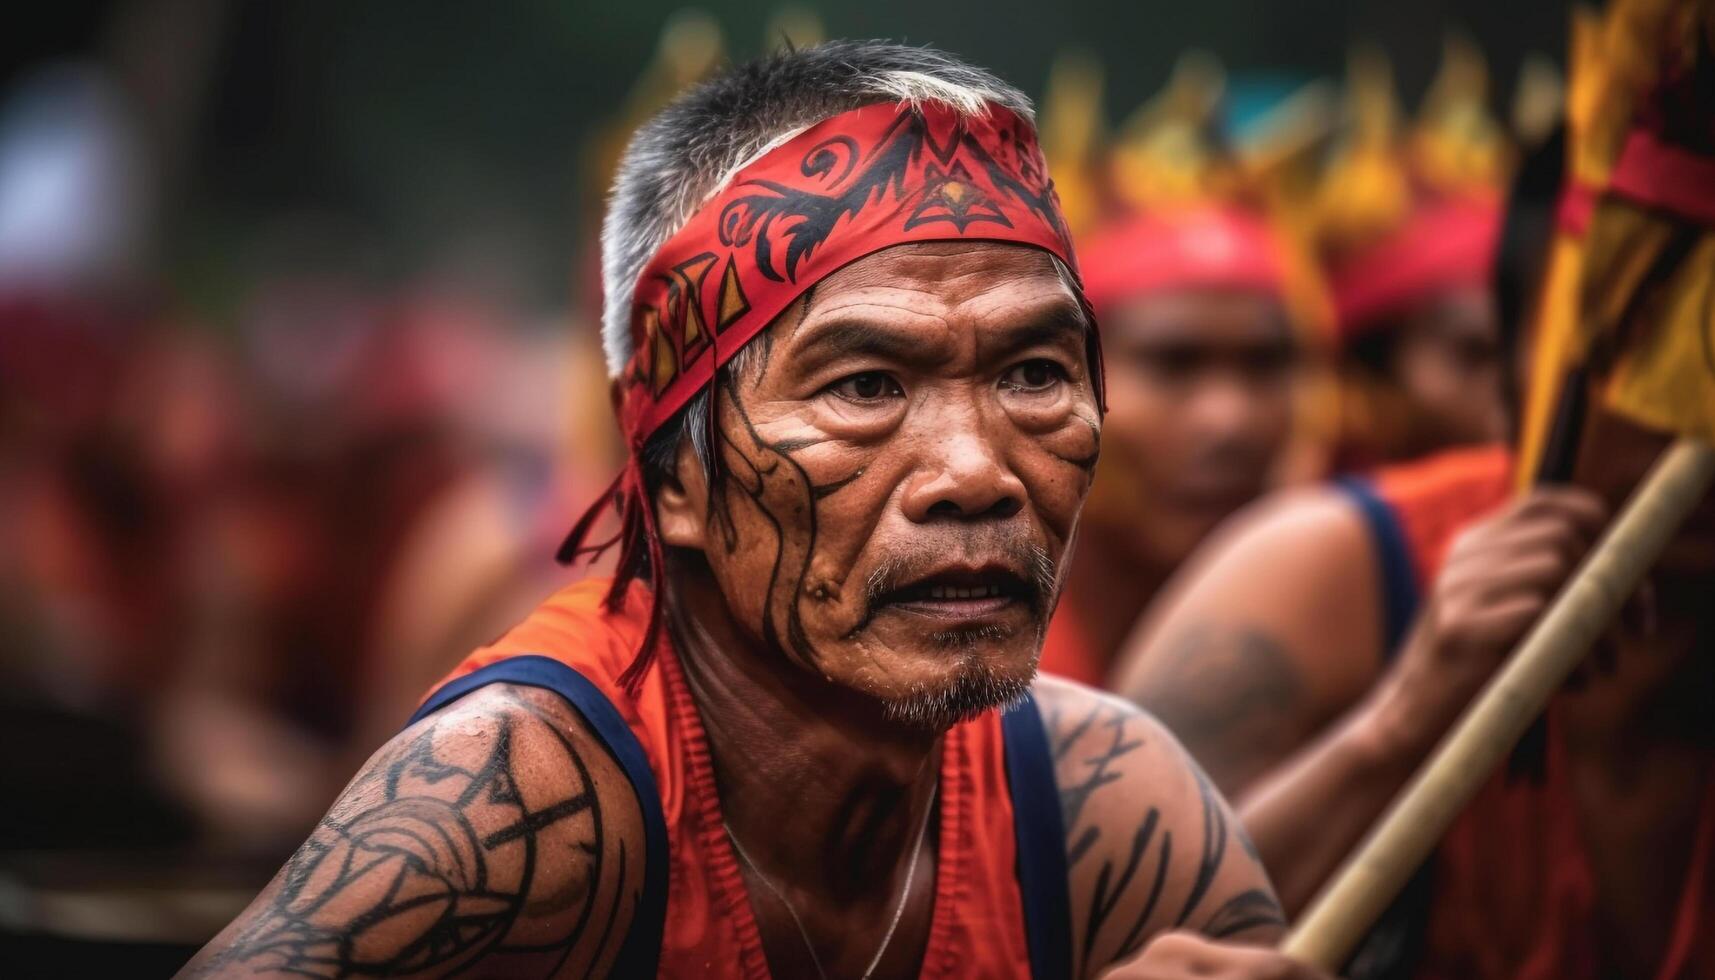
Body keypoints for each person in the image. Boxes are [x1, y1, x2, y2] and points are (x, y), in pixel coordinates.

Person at [182, 42, 1324, 980]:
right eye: (865, 385)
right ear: (670, 476)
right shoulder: (522, 804)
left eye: (1033, 372)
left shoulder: (1105, 810)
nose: (978, 471)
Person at [1117, 2, 1715, 974]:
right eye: (1647, 352)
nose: (1690, 418)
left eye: (1262, 363)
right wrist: (1408, 710)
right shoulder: (1338, 572)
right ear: (1516, 379)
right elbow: (1097, 933)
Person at [1038, 204, 1300, 687]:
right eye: (1173, 365)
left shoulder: (1342, 623)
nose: (1231, 421)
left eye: (1265, 364)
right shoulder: (977, 648)